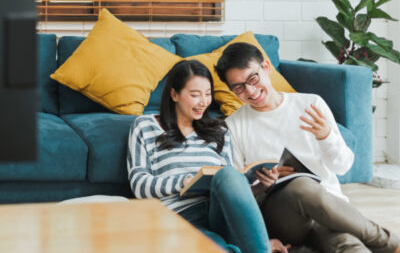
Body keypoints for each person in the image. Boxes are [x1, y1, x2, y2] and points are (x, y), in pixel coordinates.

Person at [215, 42, 400, 253]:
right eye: (238, 87)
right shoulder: (233, 126)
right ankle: (390, 244)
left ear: (266, 67)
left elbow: (343, 167)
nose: (250, 90)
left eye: (252, 78)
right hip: (281, 216)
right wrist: (261, 186)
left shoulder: (311, 104)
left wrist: (327, 137)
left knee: (350, 246)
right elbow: (236, 192)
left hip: (330, 212)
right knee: (301, 185)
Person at [127, 60, 290, 253]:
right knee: (217, 247)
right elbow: (139, 184)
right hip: (181, 217)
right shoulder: (145, 126)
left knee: (228, 174)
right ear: (174, 94)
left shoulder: (220, 130)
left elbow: (231, 187)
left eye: (207, 94)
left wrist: (261, 186)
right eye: (195, 95)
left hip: (220, 213)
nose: (204, 102)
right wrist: (186, 181)